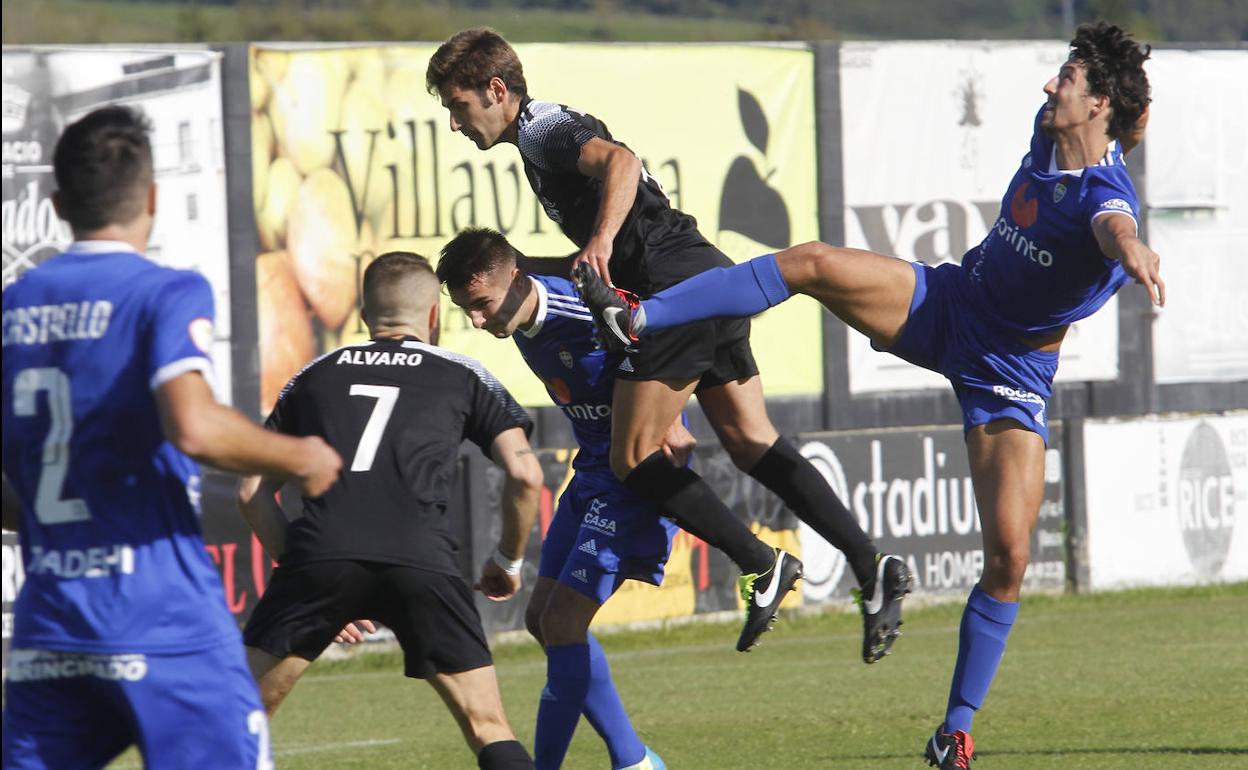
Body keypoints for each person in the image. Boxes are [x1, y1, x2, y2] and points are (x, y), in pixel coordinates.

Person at [575, 22, 1161, 770]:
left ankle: (955, 731)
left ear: (1098, 103)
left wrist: (1134, 248)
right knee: (811, 261)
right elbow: (1133, 112)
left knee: (1010, 556)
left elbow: (1114, 228)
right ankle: (640, 315)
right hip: (949, 303)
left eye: (1068, 80)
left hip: (1010, 370)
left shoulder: (1106, 195)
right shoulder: (1053, 134)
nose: (1051, 86)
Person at [427, 28, 912, 659]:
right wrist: (544, 260)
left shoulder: (542, 127)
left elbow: (621, 164)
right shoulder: (537, 142)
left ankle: (762, 563)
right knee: (750, 439)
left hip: (669, 288)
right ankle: (871, 565)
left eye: (459, 106)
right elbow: (602, 239)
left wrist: (599, 245)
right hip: (703, 272)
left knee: (633, 457)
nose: (458, 123)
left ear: (496, 90)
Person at [1, 105, 343, 770]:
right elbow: (193, 424)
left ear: (57, 203)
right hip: (161, 621)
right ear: (153, 199)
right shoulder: (164, 292)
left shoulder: (14, 310)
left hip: (52, 624)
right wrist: (299, 453)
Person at [237, 250, 542, 770]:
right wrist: (508, 560)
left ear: (362, 315)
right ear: (432, 317)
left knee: (235, 716)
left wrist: (308, 570)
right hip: (421, 555)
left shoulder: (315, 373)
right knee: (488, 726)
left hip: (323, 551)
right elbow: (526, 474)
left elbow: (251, 491)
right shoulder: (464, 373)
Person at [440, 227, 695, 770]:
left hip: (634, 479)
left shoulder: (582, 312)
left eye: (481, 305)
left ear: (514, 278)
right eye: (467, 310)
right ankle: (634, 761)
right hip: (592, 478)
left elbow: (669, 345)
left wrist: (671, 415)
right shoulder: (524, 325)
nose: (478, 322)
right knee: (541, 620)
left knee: (561, 624)